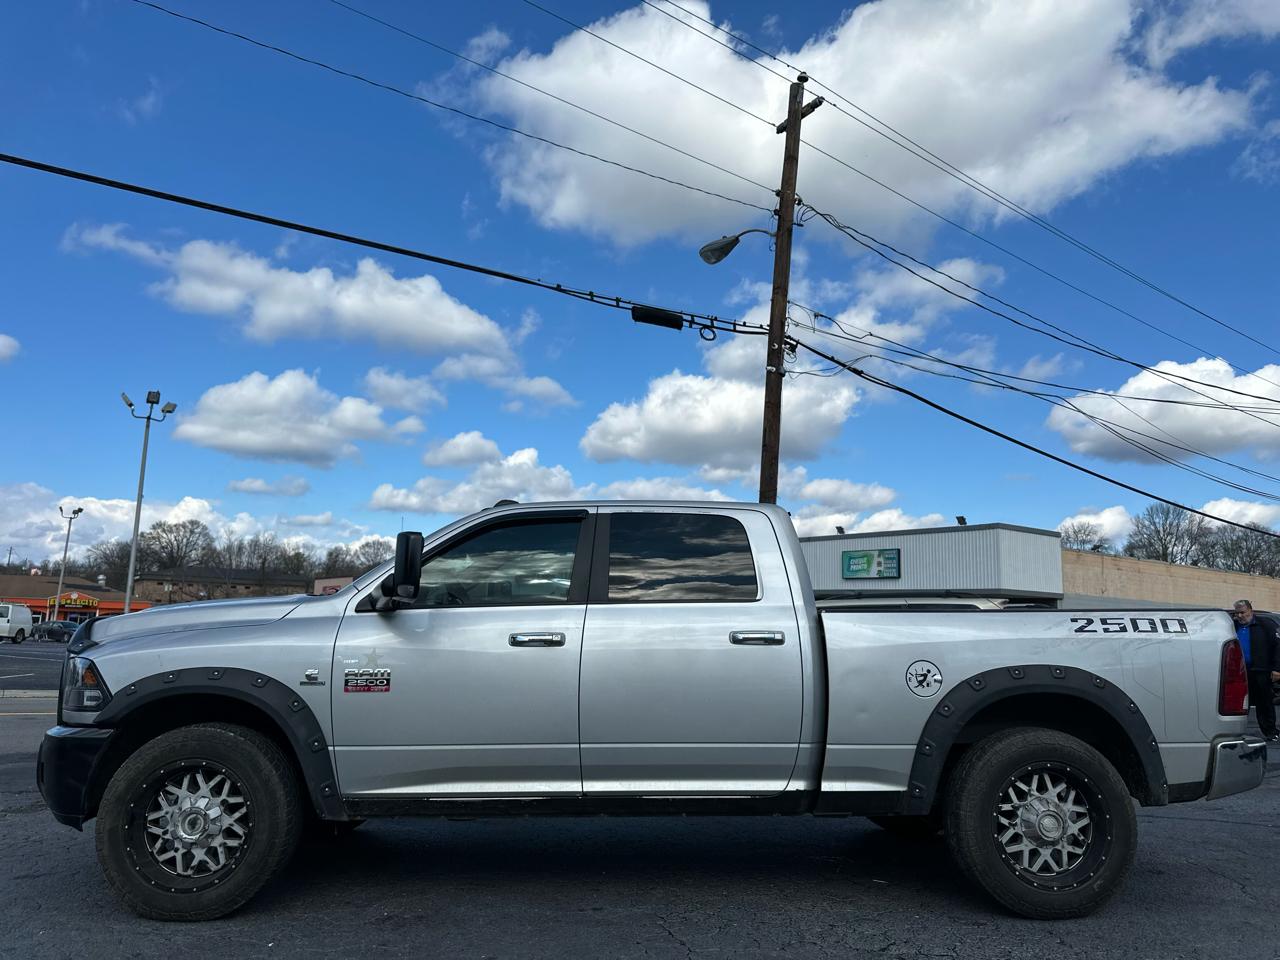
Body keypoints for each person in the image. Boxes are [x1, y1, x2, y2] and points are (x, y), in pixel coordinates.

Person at [1232, 600, 1280, 742]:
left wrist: (1277, 669)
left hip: (1260, 670)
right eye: (1237, 613)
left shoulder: (1265, 625)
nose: (1240, 616)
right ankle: (1235, 733)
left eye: (1243, 612)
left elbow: (1278, 647)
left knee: (1264, 702)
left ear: (1250, 611)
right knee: (1238, 704)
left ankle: (1270, 732)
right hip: (1240, 673)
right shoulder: (1233, 627)